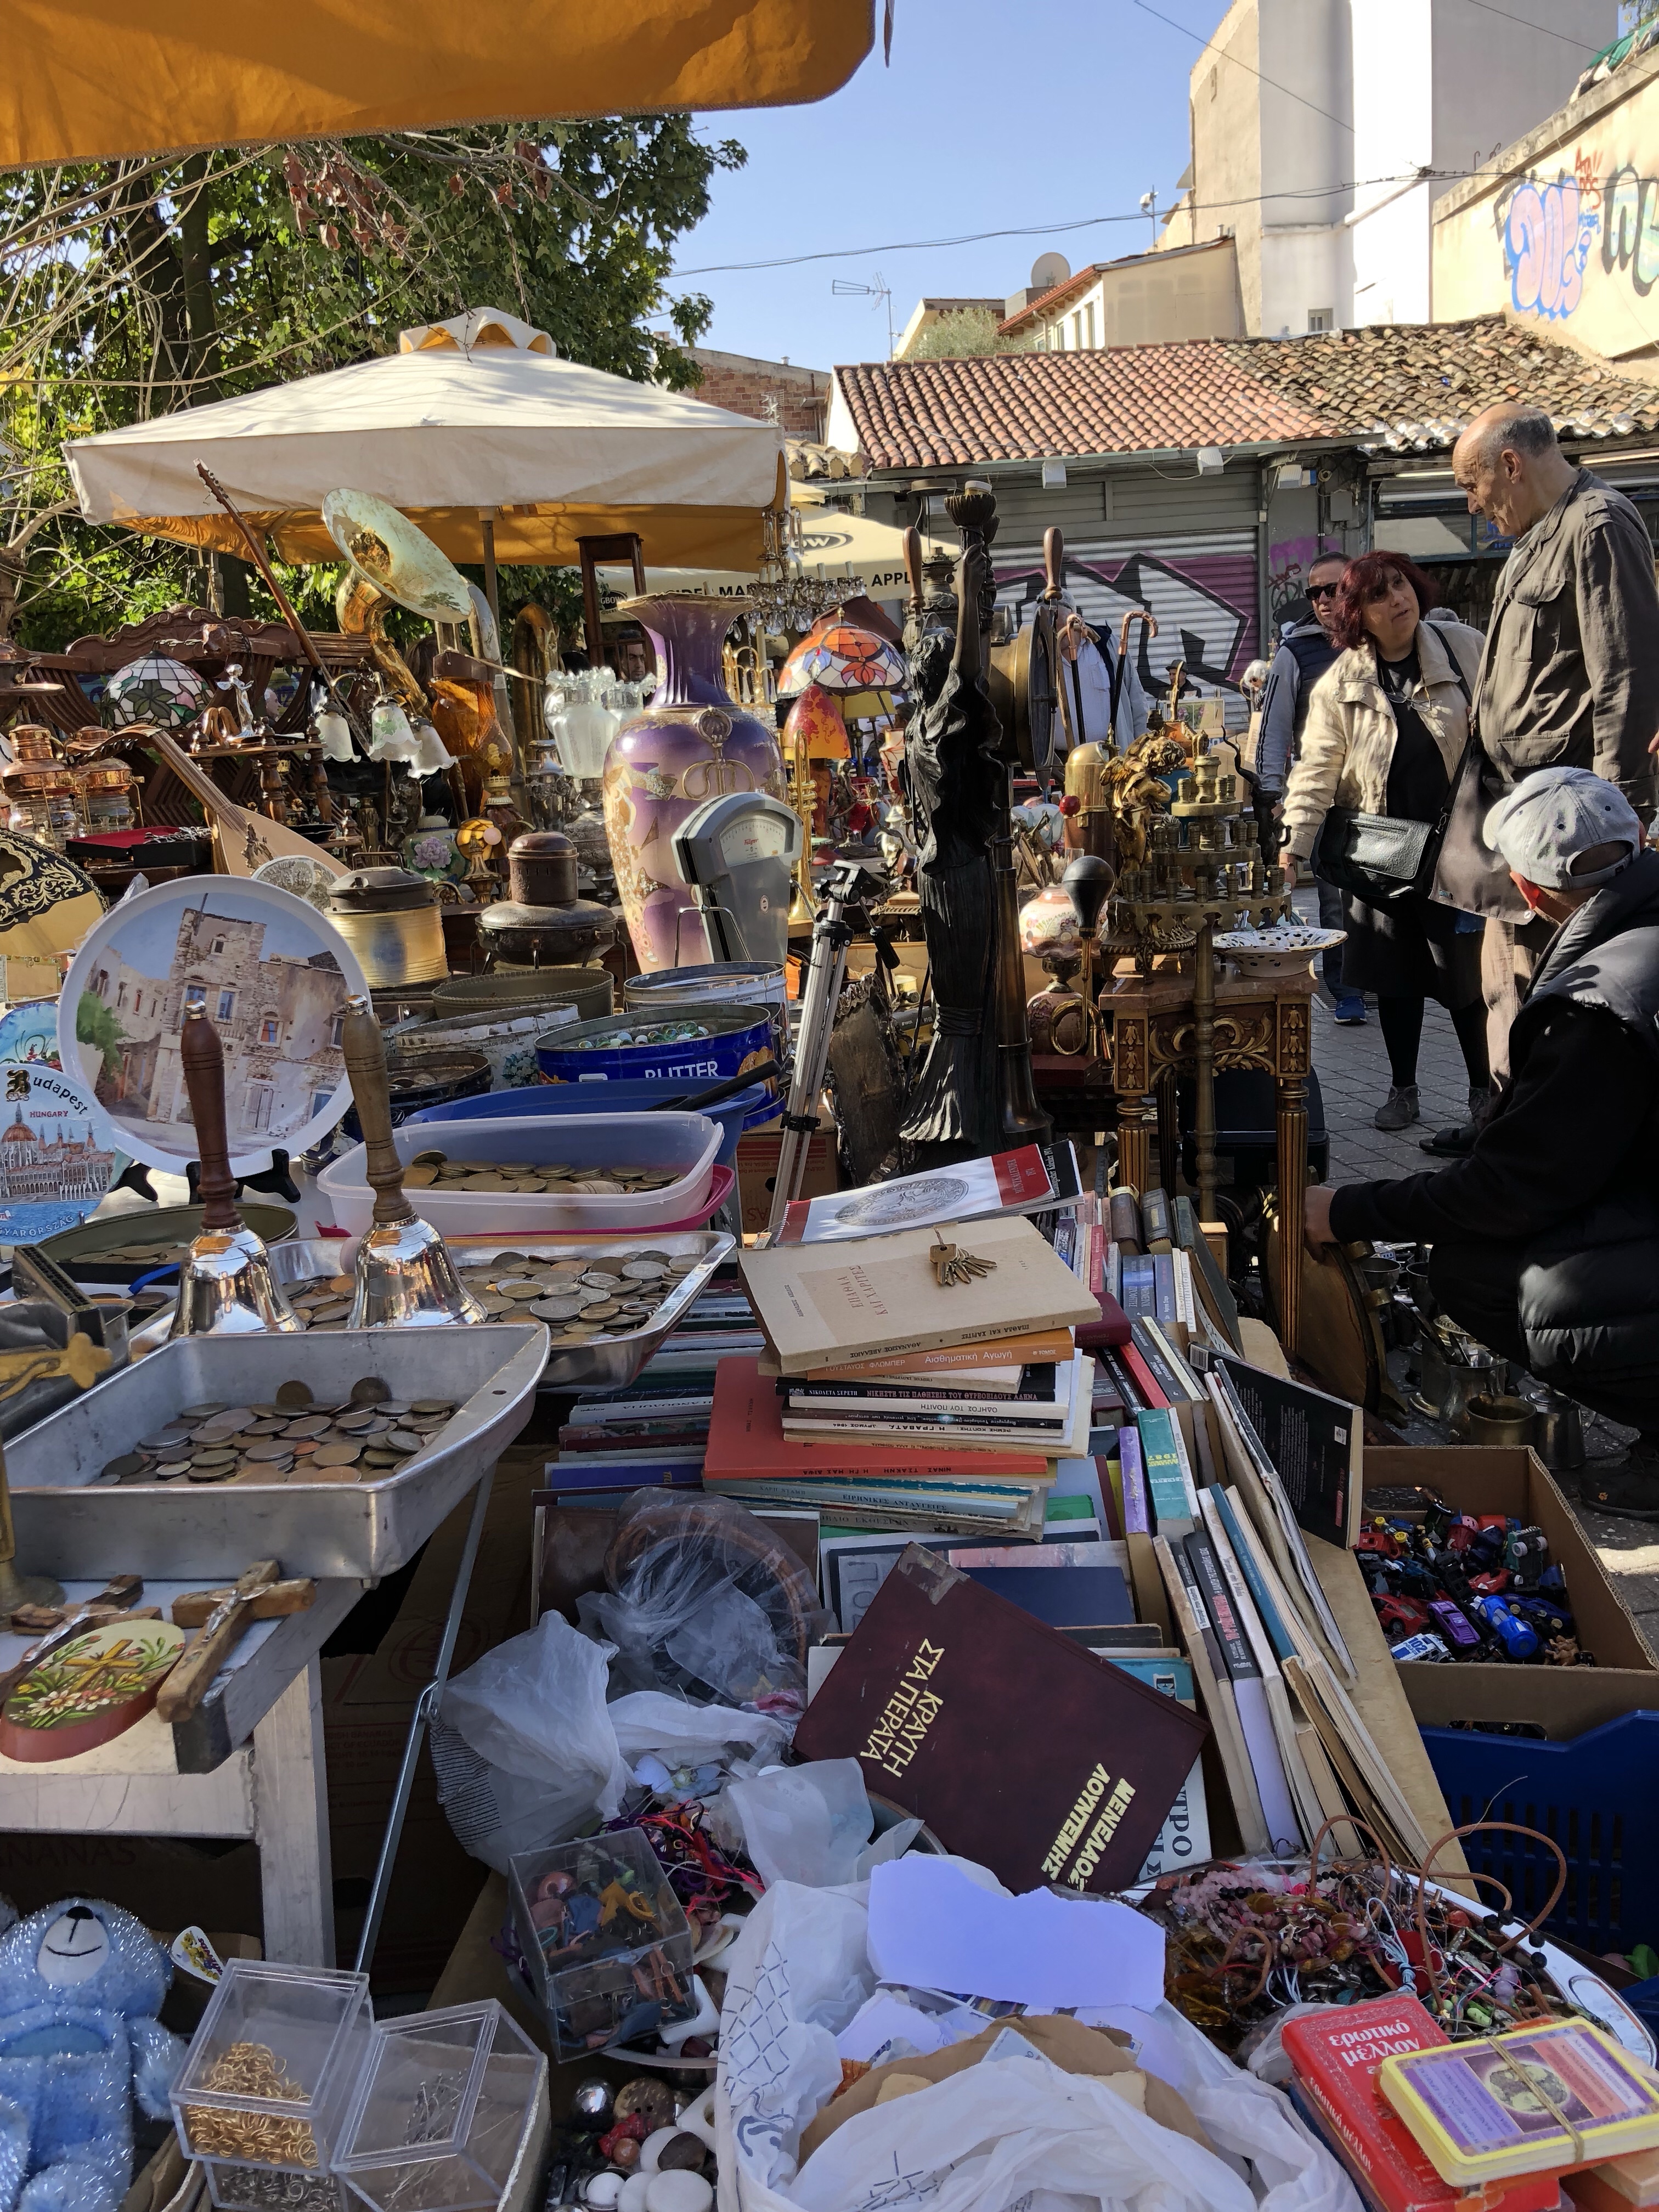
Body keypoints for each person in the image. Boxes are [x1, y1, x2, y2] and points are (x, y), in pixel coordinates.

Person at [1306, 766, 1659, 1518]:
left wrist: (1346, 1211)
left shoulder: (1602, 1002)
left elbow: (1509, 1191)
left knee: (1481, 1274)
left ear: (1528, 892)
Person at [1424, 404, 1659, 1156]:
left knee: (1551, 996)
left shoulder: (1597, 525)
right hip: (1517, 816)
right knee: (1507, 986)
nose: (1473, 504)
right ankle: (1503, 1131)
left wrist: (1624, 835)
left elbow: (1626, 680)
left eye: (1473, 484)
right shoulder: (1536, 536)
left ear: (1511, 464)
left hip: (1568, 836)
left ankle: (1530, 1153)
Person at [1280, 552, 1491, 1132]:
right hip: (1383, 854)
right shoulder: (1340, 684)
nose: (1398, 599)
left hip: (1458, 852)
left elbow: (1504, 726)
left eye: (1401, 584)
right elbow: (1317, 771)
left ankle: (1484, 1093)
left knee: (1465, 981)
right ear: (1358, 614)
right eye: (1379, 594)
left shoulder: (1463, 648)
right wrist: (1293, 846)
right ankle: (1403, 1091)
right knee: (1397, 980)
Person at [1254, 552, 1360, 1020]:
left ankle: (1383, 980)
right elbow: (1274, 730)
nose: (1323, 600)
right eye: (1314, 592)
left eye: (1332, 589)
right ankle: (1347, 989)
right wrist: (1270, 797)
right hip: (1324, 796)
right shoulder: (1295, 652)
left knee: (1381, 898)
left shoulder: (1378, 642)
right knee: (1335, 899)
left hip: (1383, 796)